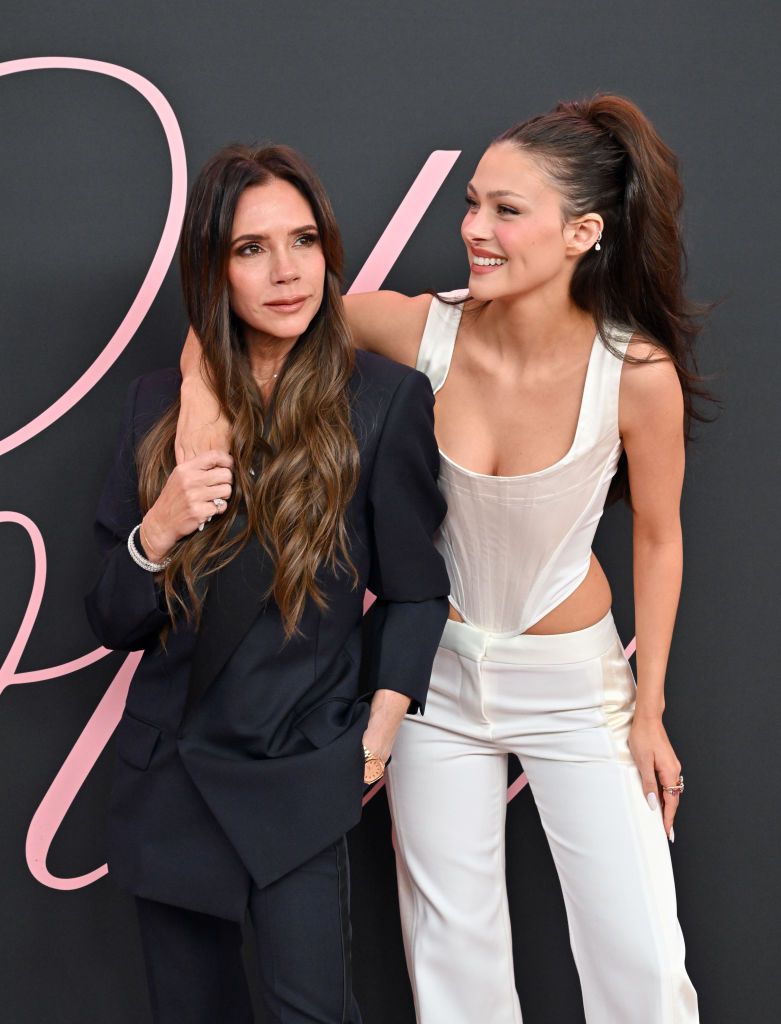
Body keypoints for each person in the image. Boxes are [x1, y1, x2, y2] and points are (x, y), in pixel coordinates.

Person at [175, 95, 703, 1023]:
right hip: (434, 682)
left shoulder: (637, 373)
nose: (472, 229)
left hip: (576, 688)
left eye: (506, 210)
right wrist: (195, 394)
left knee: (641, 960)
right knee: (450, 957)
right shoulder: (415, 328)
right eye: (470, 203)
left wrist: (648, 707)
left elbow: (658, 537)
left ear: (583, 231)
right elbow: (254, 311)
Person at [85, 143, 449, 1024]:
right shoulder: (155, 408)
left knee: (312, 1011)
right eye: (251, 249)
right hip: (168, 772)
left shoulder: (385, 399)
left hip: (298, 766)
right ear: (214, 271)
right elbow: (111, 619)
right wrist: (159, 529)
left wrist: (376, 734)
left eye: (303, 241)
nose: (286, 272)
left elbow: (415, 589)